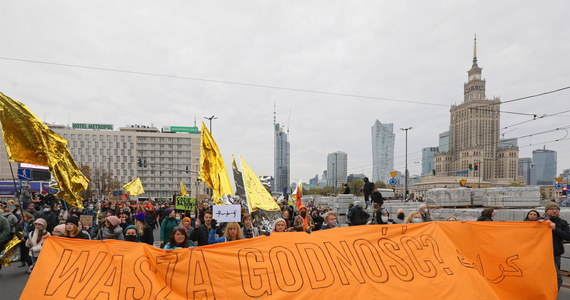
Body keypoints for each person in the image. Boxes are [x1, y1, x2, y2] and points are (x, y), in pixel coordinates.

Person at [539, 202, 570, 291]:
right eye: (552, 209)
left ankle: (552, 294)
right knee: (542, 276)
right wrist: (536, 224)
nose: (555, 211)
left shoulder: (562, 222)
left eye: (556, 209)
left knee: (556, 278)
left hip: (555, 254)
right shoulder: (540, 221)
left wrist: (555, 229)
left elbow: (568, 236)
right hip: (541, 254)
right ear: (546, 211)